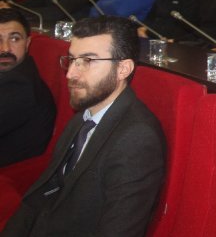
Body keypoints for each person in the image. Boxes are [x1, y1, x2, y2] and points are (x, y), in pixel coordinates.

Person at [1, 16, 165, 236]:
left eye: (87, 60)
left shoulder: (137, 139)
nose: (70, 73)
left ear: (123, 69)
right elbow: (40, 196)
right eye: (72, 59)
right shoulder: (85, 115)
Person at [0, 8, 56, 167]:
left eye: (15, 39)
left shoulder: (20, 86)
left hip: (10, 172)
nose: (5, 48)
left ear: (27, 43)